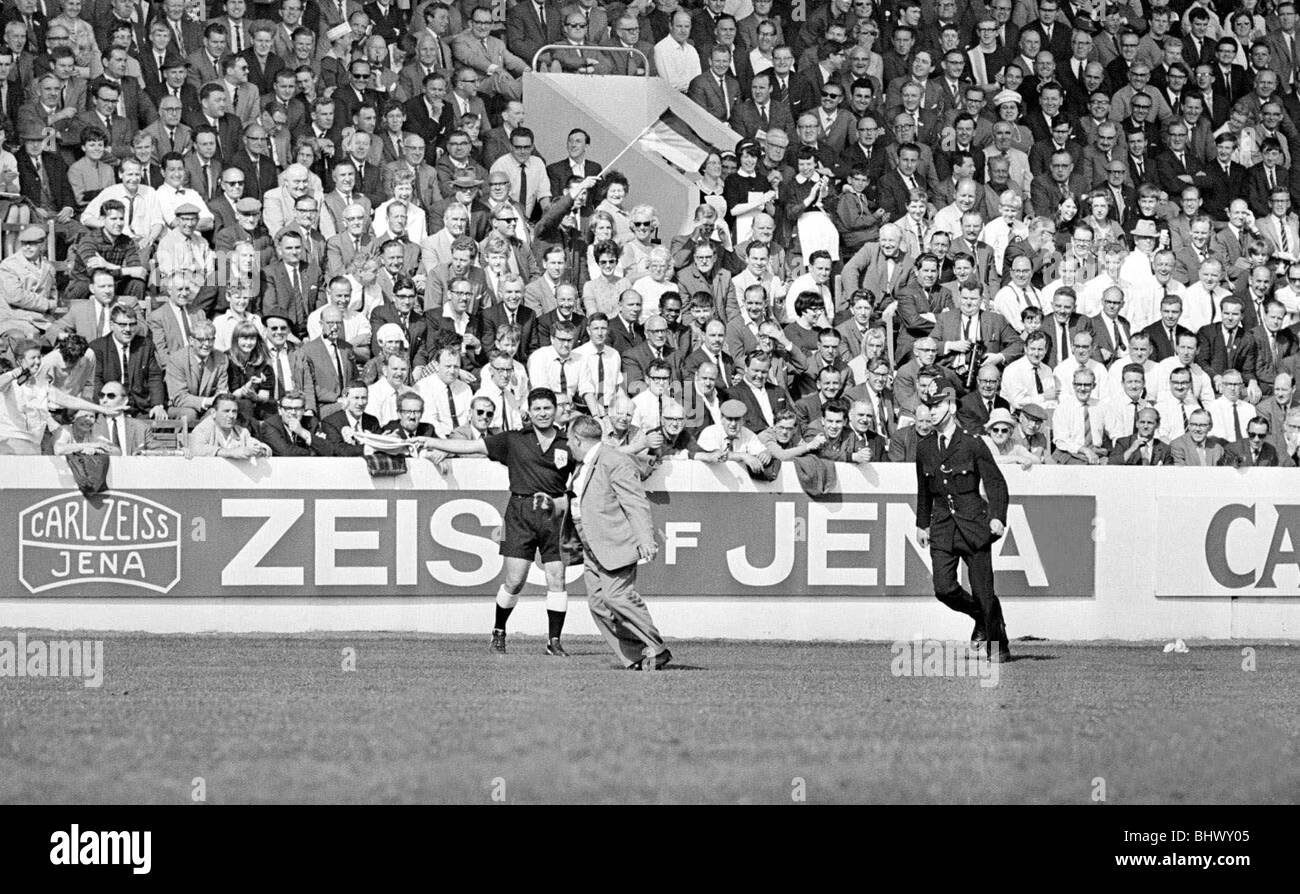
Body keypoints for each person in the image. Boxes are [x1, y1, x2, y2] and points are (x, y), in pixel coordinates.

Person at [420, 387, 577, 656]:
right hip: (520, 513)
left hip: (556, 514)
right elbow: (470, 446)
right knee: (515, 581)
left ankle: (554, 641)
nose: (542, 413)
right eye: (537, 408)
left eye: (547, 408)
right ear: (528, 411)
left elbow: (594, 462)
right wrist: (432, 442)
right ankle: (499, 631)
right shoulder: (513, 440)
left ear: (556, 410)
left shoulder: (569, 442)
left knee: (557, 578)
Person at [567, 414, 670, 670]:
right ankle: (636, 655)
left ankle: (657, 648)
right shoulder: (584, 463)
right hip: (590, 542)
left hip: (614, 541)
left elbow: (635, 502)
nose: (567, 445)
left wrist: (646, 539)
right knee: (598, 604)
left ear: (578, 439)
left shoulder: (614, 461)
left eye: (569, 440)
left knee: (617, 597)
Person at [915, 387, 1011, 662]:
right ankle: (983, 616)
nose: (931, 411)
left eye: (937, 406)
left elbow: (995, 482)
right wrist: (922, 524)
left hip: (974, 525)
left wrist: (997, 516)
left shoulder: (972, 443)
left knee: (983, 590)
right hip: (943, 526)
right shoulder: (925, 447)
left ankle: (998, 643)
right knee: (943, 589)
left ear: (951, 407)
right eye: (928, 406)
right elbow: (924, 489)